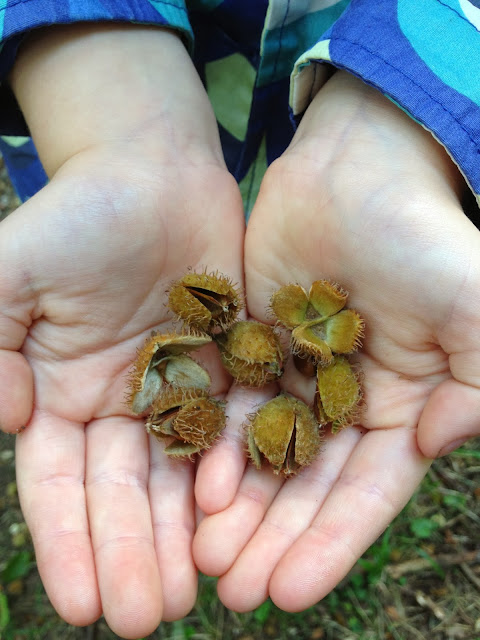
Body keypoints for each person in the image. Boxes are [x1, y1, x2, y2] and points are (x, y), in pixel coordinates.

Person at [0, 2, 479, 638]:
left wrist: (401, 120)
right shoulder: (230, 337)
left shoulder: (304, 340)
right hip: (96, 108)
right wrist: (103, 97)